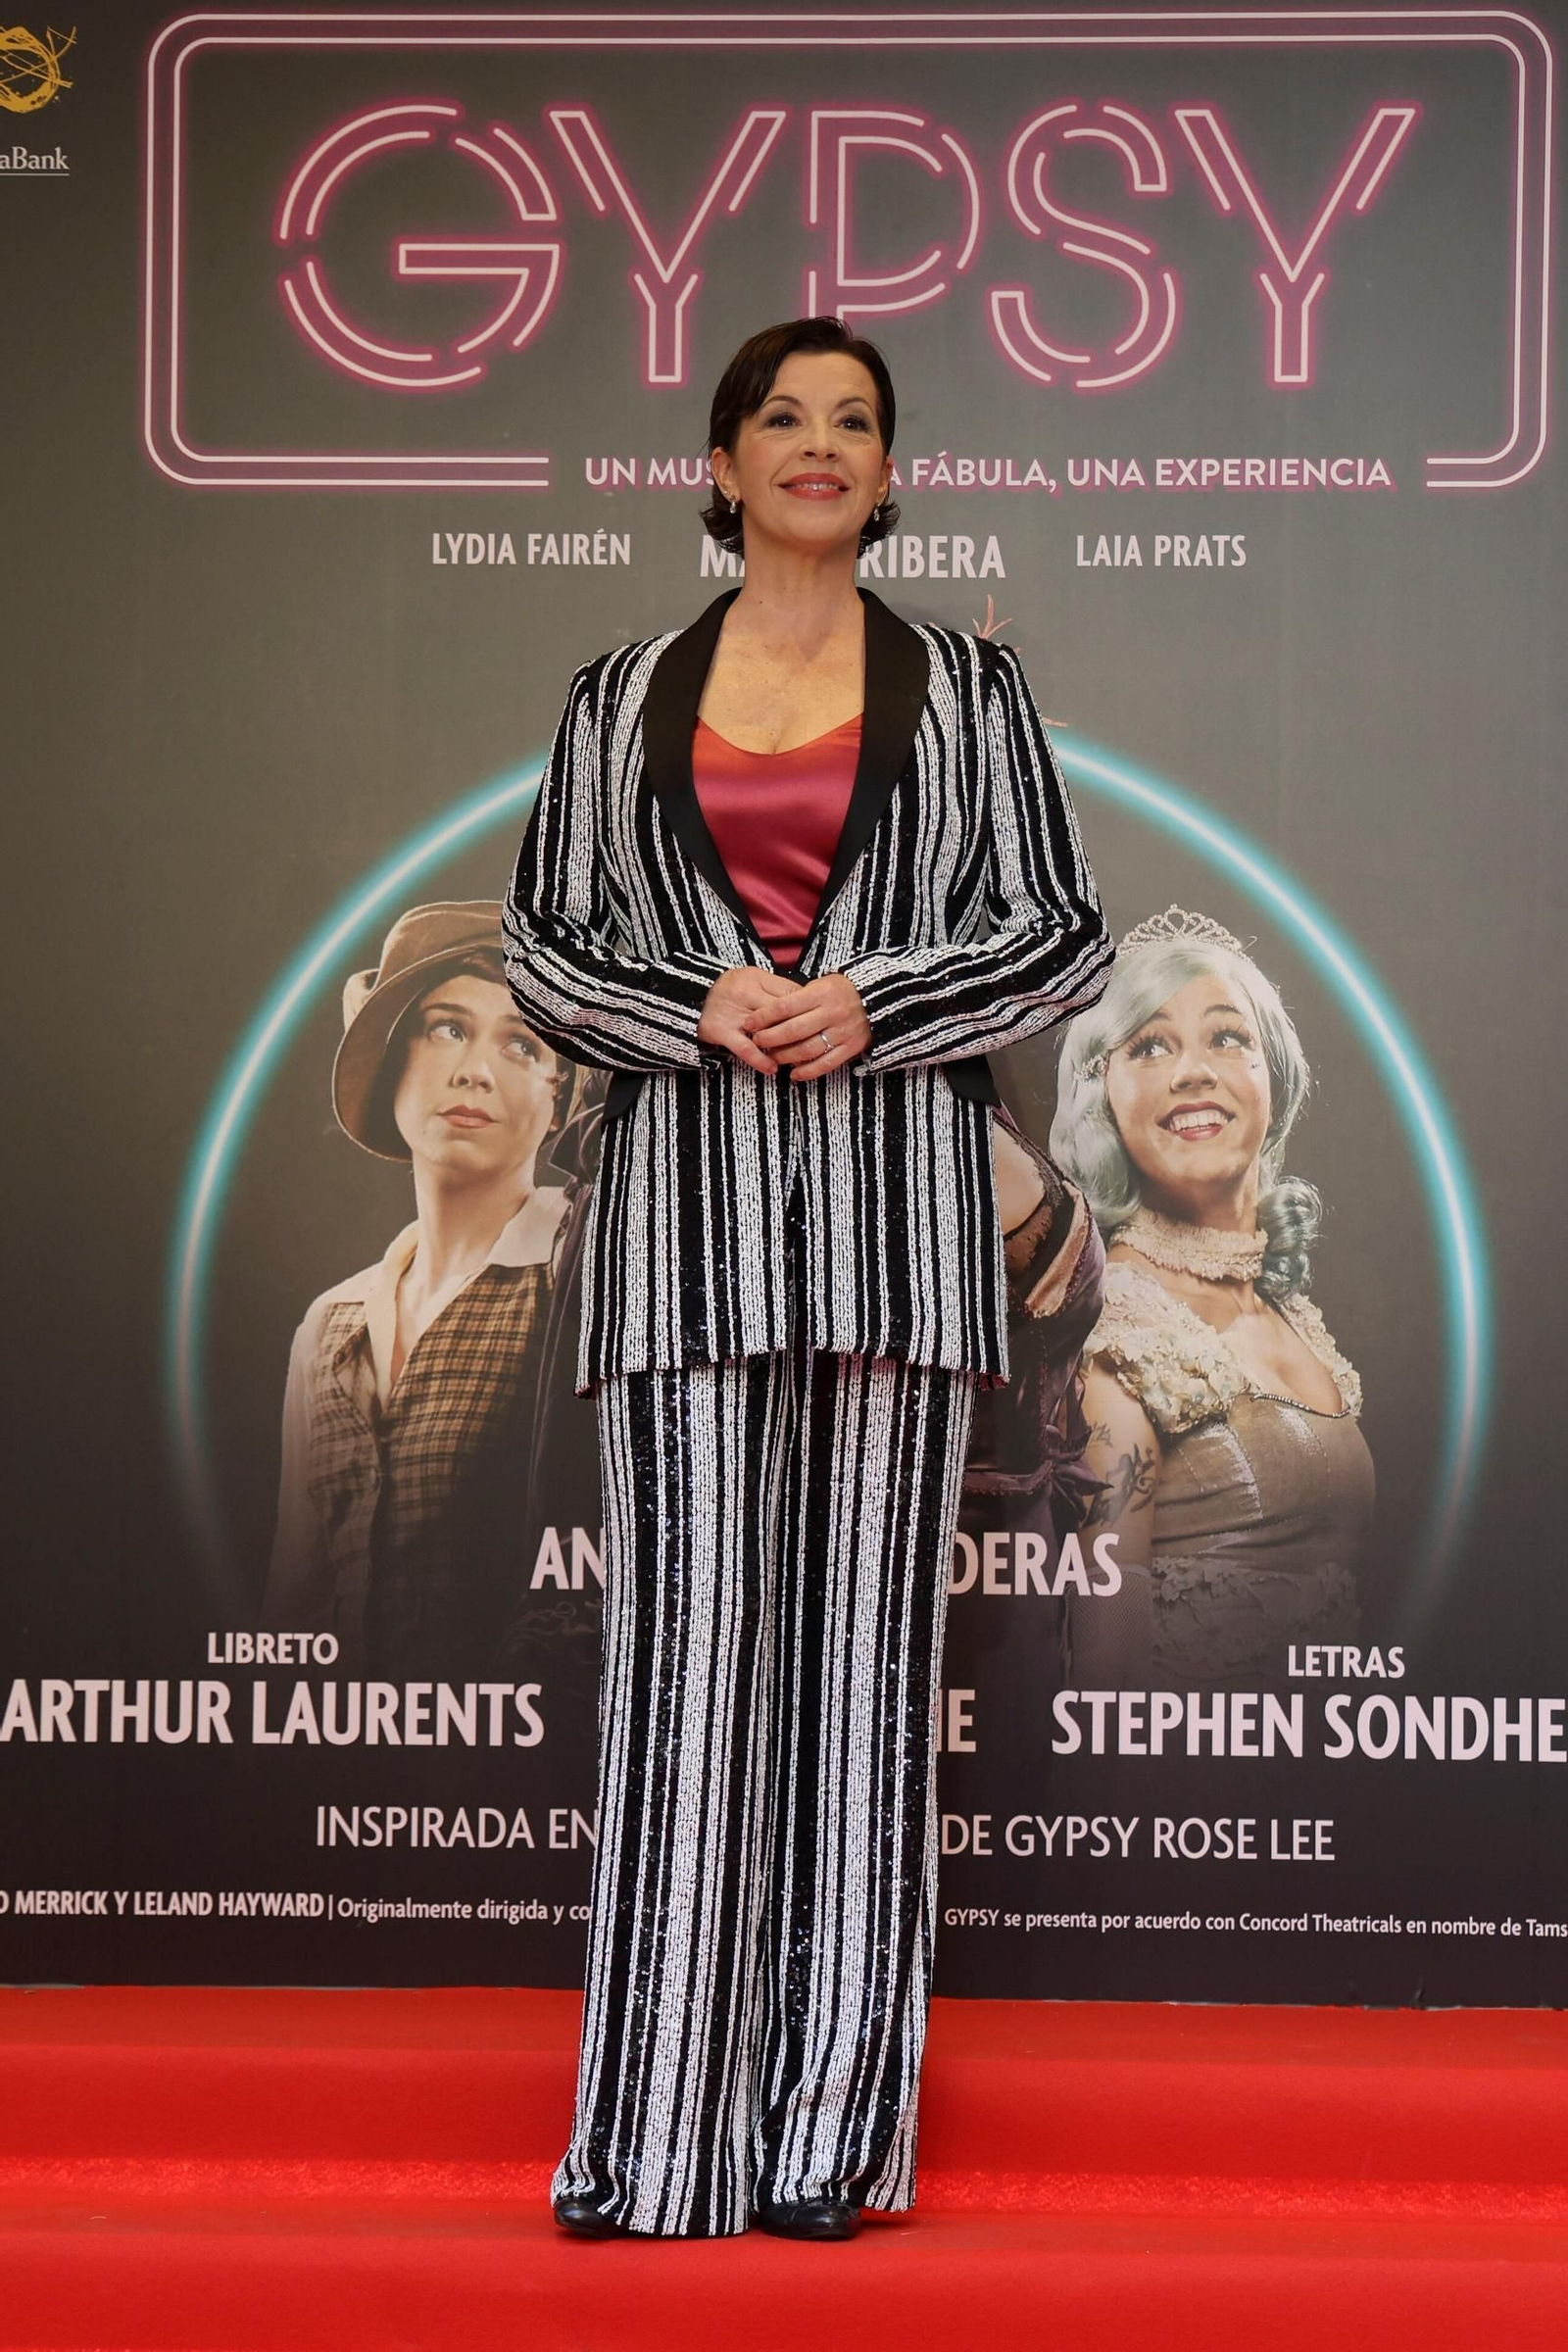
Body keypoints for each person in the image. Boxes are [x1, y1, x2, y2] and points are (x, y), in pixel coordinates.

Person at [502, 317, 1110, 2242]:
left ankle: (828, 2145)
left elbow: (1058, 939)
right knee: (680, 1691)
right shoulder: (613, 698)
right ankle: (656, 2142)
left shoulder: (972, 691)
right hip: (677, 1242)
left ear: (885, 466)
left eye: (856, 421)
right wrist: (696, 1000)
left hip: (891, 1255)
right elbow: (541, 951)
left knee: (856, 1699)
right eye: (787, 417)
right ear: (722, 455)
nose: (821, 446)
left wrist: (879, 998)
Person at [1050, 906, 1374, 1691]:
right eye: (1151, 1045)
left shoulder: (1289, 1312)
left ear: (1274, 1079)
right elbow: (1105, 1689)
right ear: (1103, 1099)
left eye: (1228, 1036)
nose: (1193, 1070)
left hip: (1325, 1791)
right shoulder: (1115, 1331)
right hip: (1193, 1799)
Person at [264, 901, 572, 1678]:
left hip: (529, 1774)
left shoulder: (585, 1280)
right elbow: (293, 1610)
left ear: (558, 1101)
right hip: (347, 1778)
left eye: (521, 1045)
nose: (475, 1069)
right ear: (395, 1063)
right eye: (446, 1028)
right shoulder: (328, 1325)